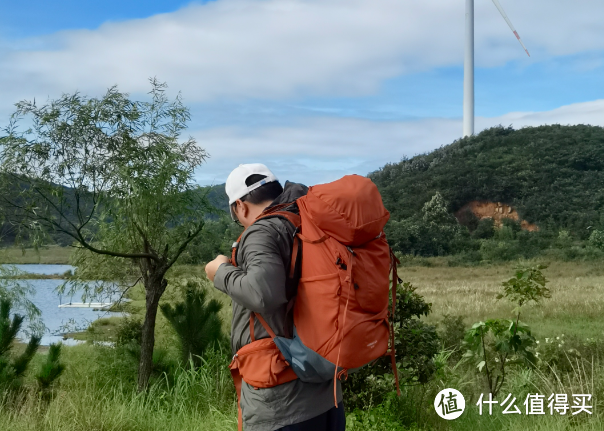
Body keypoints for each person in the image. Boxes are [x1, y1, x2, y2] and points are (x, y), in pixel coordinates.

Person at [204, 163, 345, 431]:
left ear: (240, 207)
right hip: (326, 392)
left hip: (281, 403)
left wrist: (219, 272)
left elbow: (262, 294)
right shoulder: (309, 224)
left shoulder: (261, 231)